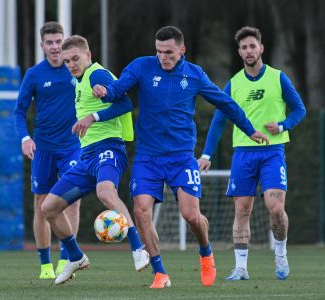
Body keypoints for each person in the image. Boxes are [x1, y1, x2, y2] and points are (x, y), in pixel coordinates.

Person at [92, 25, 269, 289]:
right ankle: (160, 272)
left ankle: (206, 252)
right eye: (159, 52)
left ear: (182, 50)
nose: (163, 57)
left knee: (190, 215)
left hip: (181, 157)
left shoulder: (194, 74)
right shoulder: (142, 67)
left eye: (169, 52)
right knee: (141, 211)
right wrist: (105, 92)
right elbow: (118, 90)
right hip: (148, 157)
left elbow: (226, 103)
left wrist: (250, 129)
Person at [198, 26, 306, 281]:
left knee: (276, 207)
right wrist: (206, 154)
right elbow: (218, 122)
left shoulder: (278, 78)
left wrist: (282, 126)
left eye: (252, 46)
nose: (249, 51)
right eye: (244, 47)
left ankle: (280, 254)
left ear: (261, 48)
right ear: (239, 52)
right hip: (243, 155)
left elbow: (299, 109)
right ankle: (241, 268)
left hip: (272, 152)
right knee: (242, 211)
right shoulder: (233, 84)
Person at [40, 35, 150, 286]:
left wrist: (94, 117)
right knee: (49, 208)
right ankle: (76, 257)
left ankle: (137, 248)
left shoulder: (96, 75)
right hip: (86, 156)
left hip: (109, 148)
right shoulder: (77, 82)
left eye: (75, 58)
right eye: (67, 61)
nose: (71, 64)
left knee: (105, 191)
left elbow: (125, 104)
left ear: (88, 55)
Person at [14, 22, 82, 280]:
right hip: (43, 149)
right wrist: (24, 138)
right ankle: (45, 265)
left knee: (72, 202)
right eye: (50, 42)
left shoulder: (76, 71)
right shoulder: (34, 74)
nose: (55, 47)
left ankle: (68, 258)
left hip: (73, 148)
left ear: (65, 43)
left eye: (58, 42)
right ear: (42, 45)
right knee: (42, 205)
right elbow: (19, 111)